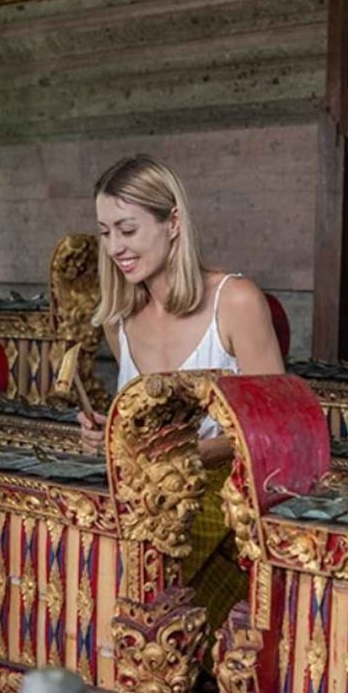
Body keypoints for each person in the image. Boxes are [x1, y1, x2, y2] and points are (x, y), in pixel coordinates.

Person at [77, 154, 284, 623]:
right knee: (83, 566)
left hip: (228, 505)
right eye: (105, 233)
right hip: (147, 501)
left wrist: (182, 455)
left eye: (127, 230)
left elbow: (274, 432)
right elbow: (148, 424)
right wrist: (110, 435)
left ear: (172, 222)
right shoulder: (119, 319)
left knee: (132, 589)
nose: (115, 247)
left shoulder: (236, 300)